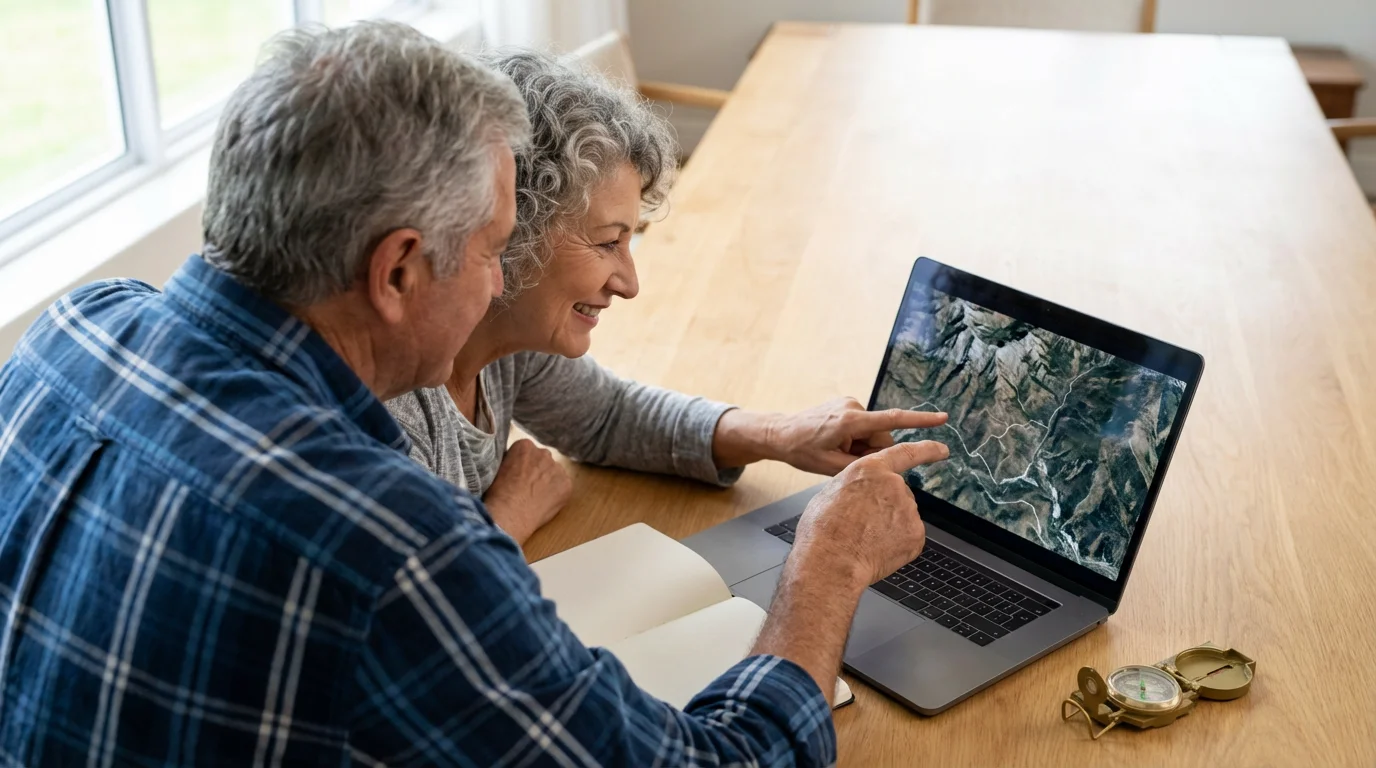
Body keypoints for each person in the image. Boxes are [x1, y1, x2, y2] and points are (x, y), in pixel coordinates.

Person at [0, 22, 948, 767]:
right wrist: (821, 569)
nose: (501, 284)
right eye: (496, 249)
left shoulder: (71, 327)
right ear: (400, 270)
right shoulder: (388, 541)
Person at [387, 50, 947, 547]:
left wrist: (780, 435)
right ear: (514, 230)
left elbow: (605, 418)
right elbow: (405, 621)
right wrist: (508, 515)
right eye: (608, 244)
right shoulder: (394, 401)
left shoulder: (509, 339)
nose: (629, 283)